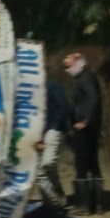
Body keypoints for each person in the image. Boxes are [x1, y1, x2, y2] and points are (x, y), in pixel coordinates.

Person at [63, 52, 103, 214]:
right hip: (91, 127)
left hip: (85, 129)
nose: (67, 70)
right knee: (93, 164)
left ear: (78, 64)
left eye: (68, 66)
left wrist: (85, 120)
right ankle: (98, 204)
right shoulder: (88, 77)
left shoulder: (85, 79)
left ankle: (83, 204)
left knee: (81, 164)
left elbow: (94, 99)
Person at [36, 77, 70, 208]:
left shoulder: (52, 84)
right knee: (39, 169)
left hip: (53, 128)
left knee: (48, 162)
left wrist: (56, 125)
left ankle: (56, 191)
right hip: (38, 131)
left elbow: (64, 105)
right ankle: (52, 198)